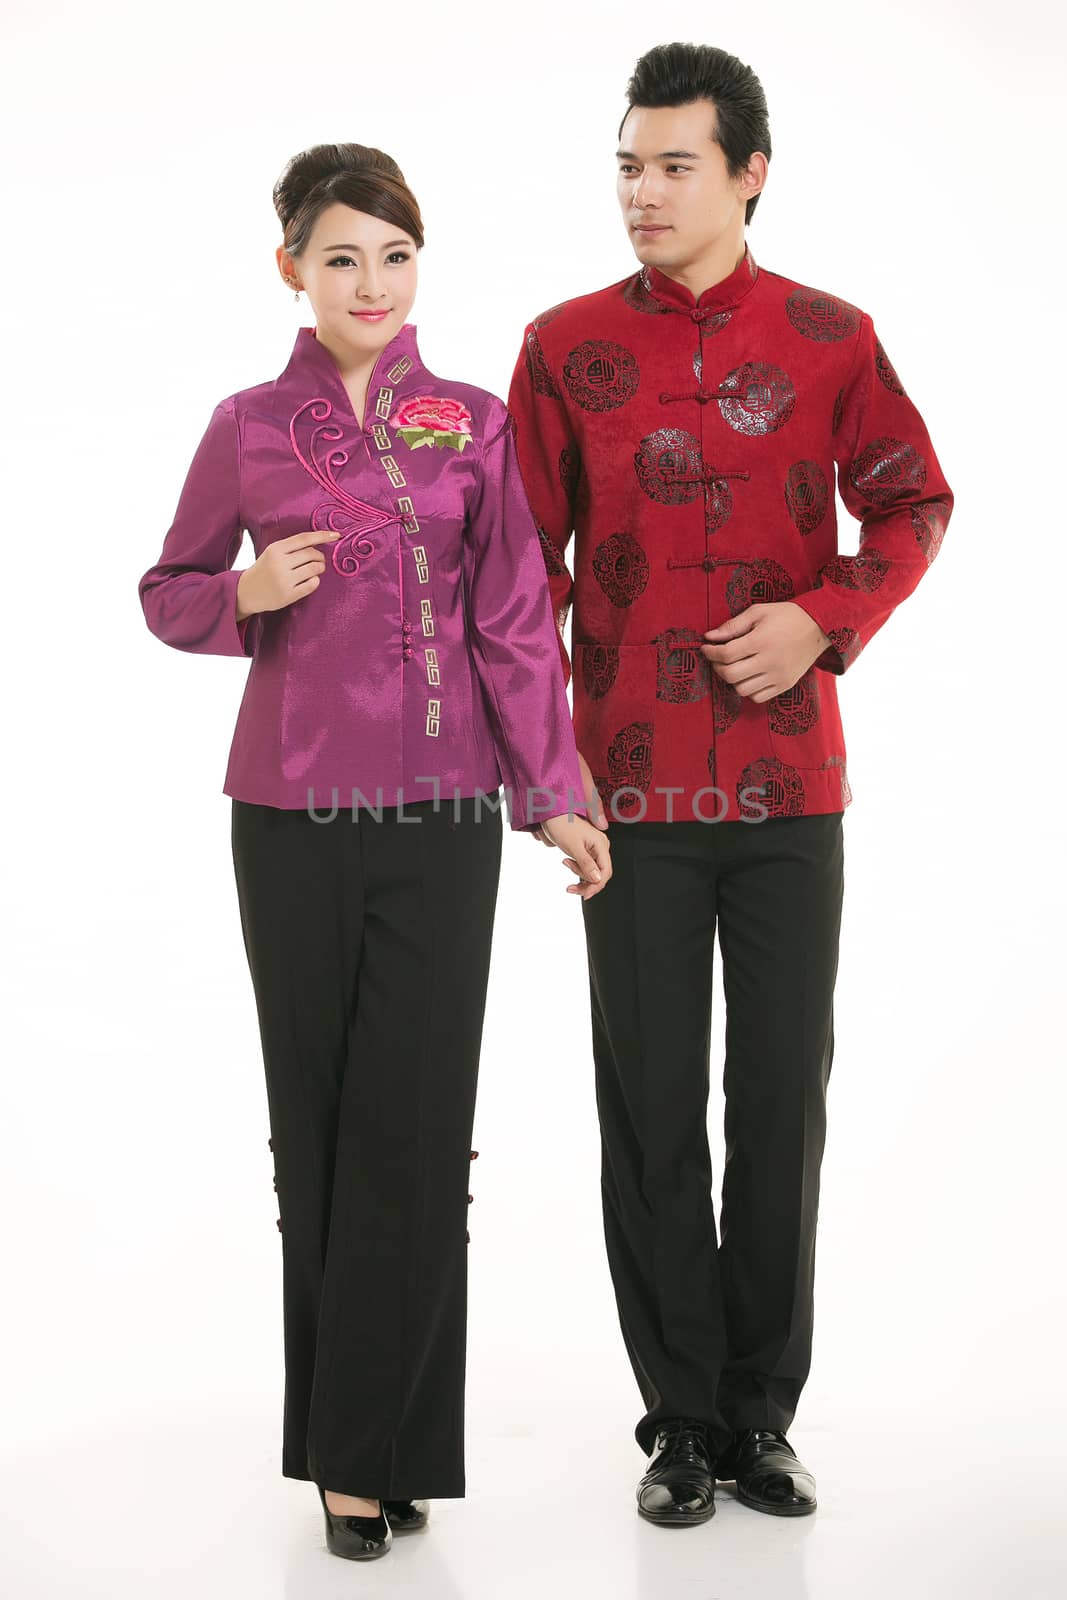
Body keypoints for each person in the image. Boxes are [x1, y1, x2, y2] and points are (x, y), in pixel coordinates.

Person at [137, 141, 611, 1563]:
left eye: (396, 257)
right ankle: (354, 1453)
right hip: (287, 816)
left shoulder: (469, 424)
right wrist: (242, 592)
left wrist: (558, 791)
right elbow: (164, 593)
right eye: (342, 257)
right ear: (292, 266)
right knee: (324, 1129)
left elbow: (516, 625)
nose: (372, 284)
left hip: (446, 815)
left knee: (418, 1130)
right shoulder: (246, 428)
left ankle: (380, 1449)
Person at [507, 43, 952, 1524]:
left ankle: (762, 1415)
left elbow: (912, 500)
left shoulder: (832, 338)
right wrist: (545, 771)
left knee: (779, 1106)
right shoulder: (566, 347)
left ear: (749, 171)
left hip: (785, 796)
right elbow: (518, 570)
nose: (643, 190)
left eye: (674, 164)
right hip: (624, 798)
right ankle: (679, 1425)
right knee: (648, 1110)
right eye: (628, 164)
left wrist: (823, 620)